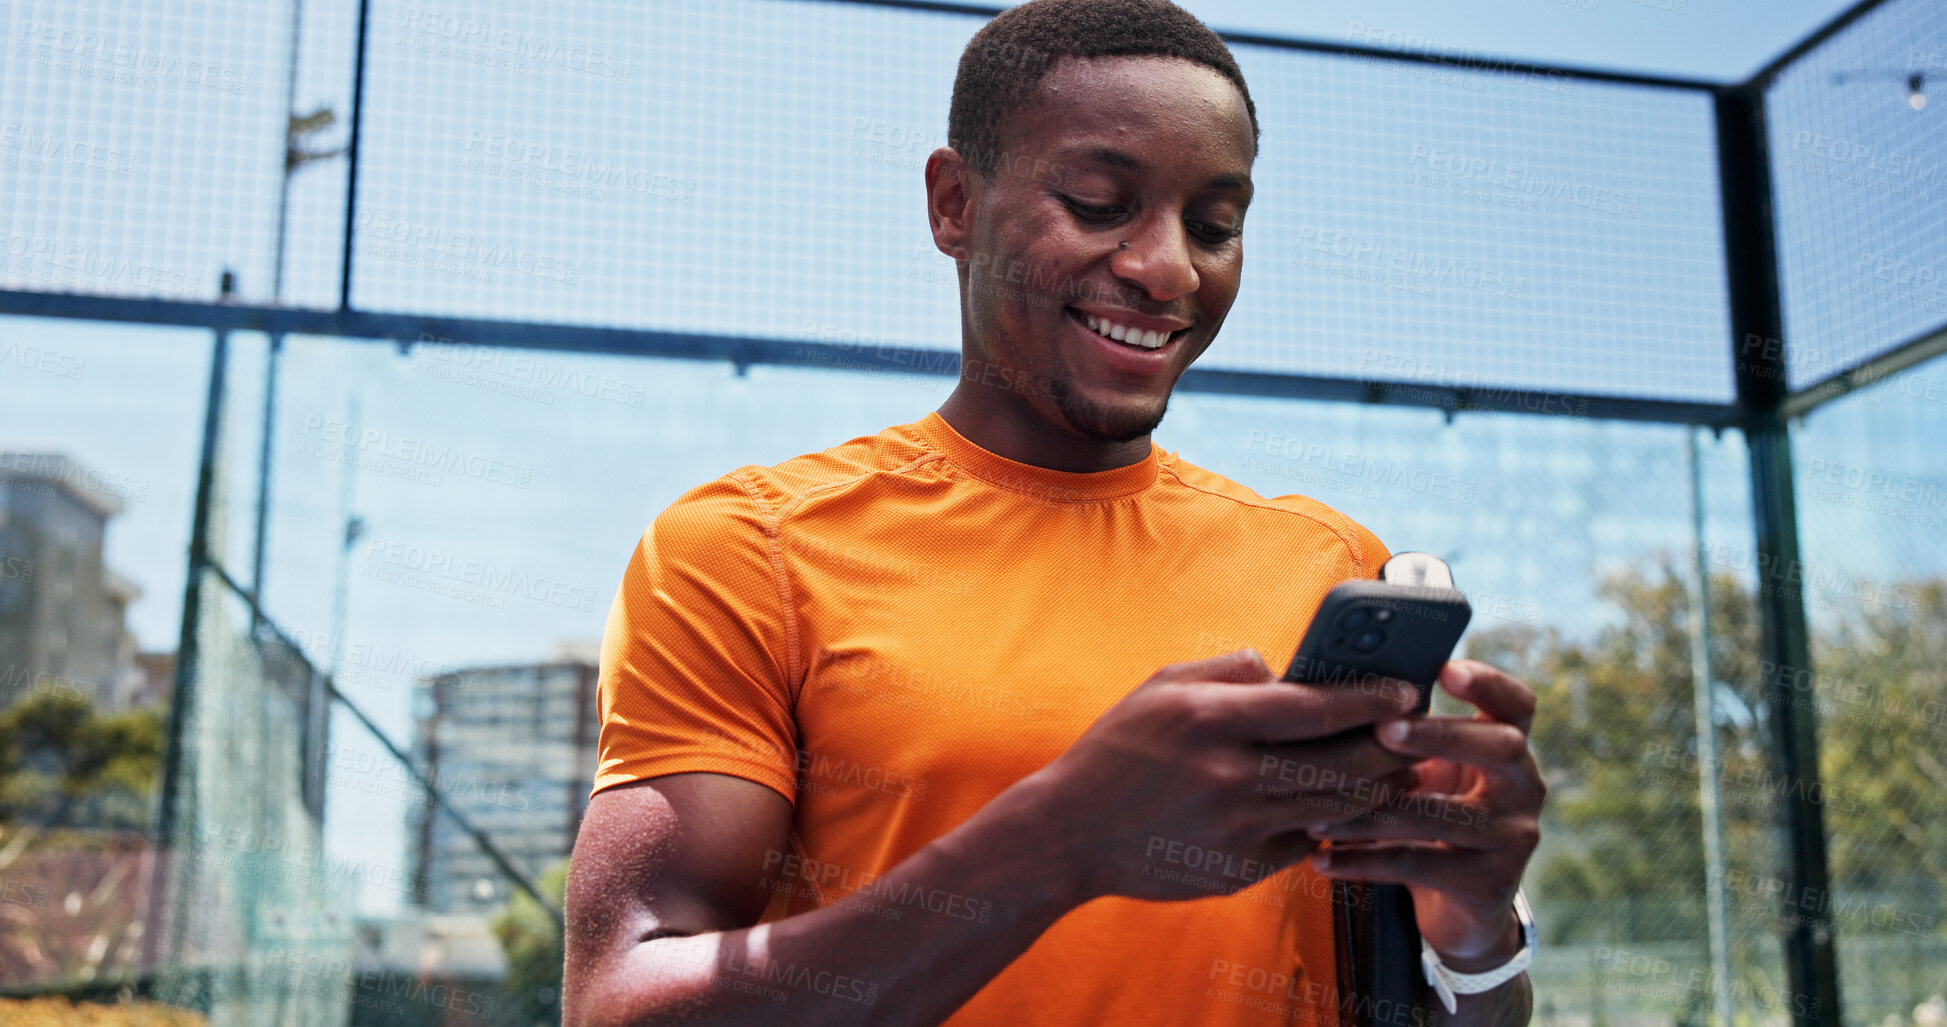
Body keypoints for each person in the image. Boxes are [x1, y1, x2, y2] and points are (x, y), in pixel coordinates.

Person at [562, 1, 1545, 1023]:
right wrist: (1061, 842)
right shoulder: (747, 549)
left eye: (1215, 226)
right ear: (955, 205)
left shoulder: (1330, 562)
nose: (1167, 268)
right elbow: (618, 1002)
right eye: (1095, 202)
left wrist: (1473, 931)